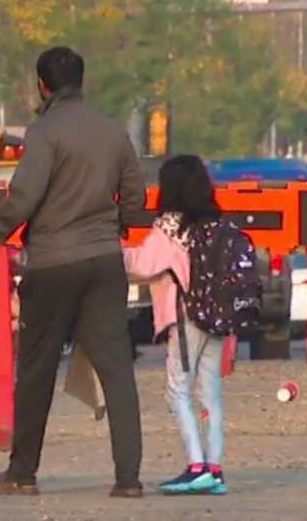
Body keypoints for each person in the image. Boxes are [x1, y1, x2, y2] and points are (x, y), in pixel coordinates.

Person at [0, 46, 146, 498]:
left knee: (36, 370)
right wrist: (116, 227)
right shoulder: (113, 132)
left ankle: (22, 472)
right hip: (104, 262)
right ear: (82, 81)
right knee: (117, 372)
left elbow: (24, 197)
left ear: (42, 86)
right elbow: (135, 196)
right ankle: (128, 478)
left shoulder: (44, 132)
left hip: (52, 263)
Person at [123, 155, 228, 495]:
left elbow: (141, 265)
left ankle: (196, 467)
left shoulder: (170, 227)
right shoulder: (216, 223)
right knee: (209, 390)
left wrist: (111, 250)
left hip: (186, 316)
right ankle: (214, 468)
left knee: (176, 389)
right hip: (217, 315)